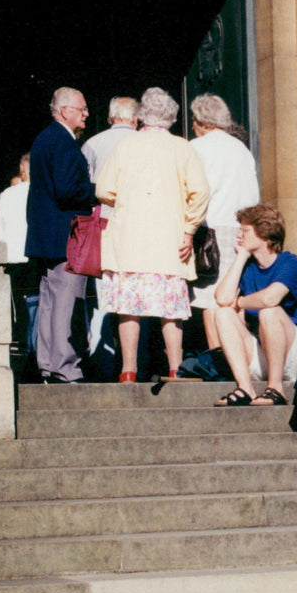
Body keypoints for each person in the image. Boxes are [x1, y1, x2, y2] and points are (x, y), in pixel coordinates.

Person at [95, 87, 209, 382]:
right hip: (168, 240)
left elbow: (103, 189)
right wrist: (188, 230)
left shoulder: (124, 145)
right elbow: (201, 192)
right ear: (171, 117)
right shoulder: (183, 147)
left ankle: (128, 370)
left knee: (128, 309)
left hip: (130, 240)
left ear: (142, 115)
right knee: (170, 310)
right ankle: (175, 368)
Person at [25, 88, 96, 384]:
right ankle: (65, 366)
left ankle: (47, 363)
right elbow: (67, 189)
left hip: (46, 235)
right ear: (65, 110)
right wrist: (98, 191)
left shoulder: (45, 139)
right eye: (82, 108)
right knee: (65, 300)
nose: (86, 114)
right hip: (65, 235)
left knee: (50, 301)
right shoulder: (63, 142)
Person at [188, 93, 260, 377]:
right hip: (244, 228)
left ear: (202, 121)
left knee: (211, 300)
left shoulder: (197, 148)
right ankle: (240, 363)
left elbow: (195, 193)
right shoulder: (241, 149)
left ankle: (219, 364)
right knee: (233, 300)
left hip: (212, 230)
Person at [211, 203, 297, 407]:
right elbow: (222, 299)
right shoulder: (247, 266)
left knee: (269, 312)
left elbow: (270, 299)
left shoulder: (289, 262)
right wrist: (241, 257)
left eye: (245, 230)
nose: (239, 235)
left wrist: (239, 302)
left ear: (264, 232)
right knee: (222, 314)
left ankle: (276, 388)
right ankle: (245, 388)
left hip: (294, 353)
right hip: (262, 349)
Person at [81, 96, 139, 380]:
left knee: (103, 295)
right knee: (139, 293)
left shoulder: (92, 143)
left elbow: (85, 186)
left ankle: (103, 362)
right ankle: (140, 361)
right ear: (135, 117)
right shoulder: (144, 142)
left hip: (104, 224)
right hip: (140, 226)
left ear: (110, 116)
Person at [0, 153, 38, 368]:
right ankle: (34, 348)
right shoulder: (43, 193)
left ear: (22, 168)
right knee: (36, 304)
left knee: (20, 306)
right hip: (36, 255)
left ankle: (25, 346)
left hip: (13, 256)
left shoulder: (8, 194)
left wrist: (1, 254)